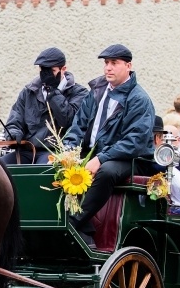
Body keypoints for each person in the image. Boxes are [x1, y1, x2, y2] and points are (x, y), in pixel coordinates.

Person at [62, 44, 155, 249]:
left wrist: (100, 158)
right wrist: (68, 150)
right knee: (60, 167)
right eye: (106, 63)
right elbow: (79, 124)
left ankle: (74, 222)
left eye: (114, 63)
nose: (108, 68)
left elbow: (135, 142)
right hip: (93, 154)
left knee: (106, 172)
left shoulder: (139, 98)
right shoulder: (97, 92)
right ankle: (84, 230)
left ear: (128, 66)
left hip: (131, 159)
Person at [2, 47, 88, 164]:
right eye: (43, 70)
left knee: (40, 171)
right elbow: (15, 119)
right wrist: (13, 133)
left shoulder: (79, 93)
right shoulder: (29, 91)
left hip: (56, 151)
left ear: (63, 69)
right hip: (27, 150)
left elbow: (68, 121)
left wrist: (53, 93)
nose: (46, 76)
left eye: (51, 71)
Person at [144, 116, 180, 209]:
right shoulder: (154, 159)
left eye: (169, 140)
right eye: (164, 139)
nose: (167, 143)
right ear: (158, 139)